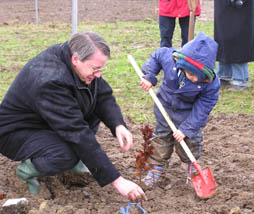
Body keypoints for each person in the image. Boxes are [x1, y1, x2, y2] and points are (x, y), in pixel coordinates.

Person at [0, 31, 147, 202]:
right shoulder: (50, 81)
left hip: (45, 120)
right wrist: (118, 181)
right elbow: (77, 132)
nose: (98, 75)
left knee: (89, 104)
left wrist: (118, 124)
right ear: (76, 59)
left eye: (100, 69)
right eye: (95, 69)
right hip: (16, 132)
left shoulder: (75, 61)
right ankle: (26, 171)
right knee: (66, 154)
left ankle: (77, 162)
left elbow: (101, 95)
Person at [139, 32, 220, 186]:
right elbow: (156, 56)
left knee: (191, 141)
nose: (195, 79)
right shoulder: (171, 59)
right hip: (164, 107)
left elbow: (203, 108)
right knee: (161, 138)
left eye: (199, 77)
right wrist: (149, 75)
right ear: (182, 65)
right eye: (191, 74)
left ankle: (192, 167)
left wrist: (187, 128)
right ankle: (156, 166)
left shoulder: (211, 83)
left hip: (189, 114)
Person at [214, 0, 254, 91]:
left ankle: (239, 80)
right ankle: (223, 76)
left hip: (240, 8)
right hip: (224, 7)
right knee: (224, 40)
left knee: (239, 42)